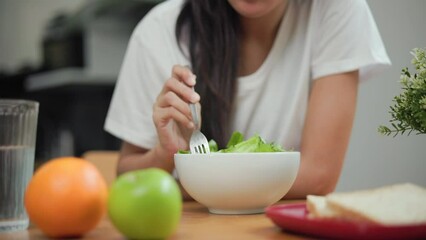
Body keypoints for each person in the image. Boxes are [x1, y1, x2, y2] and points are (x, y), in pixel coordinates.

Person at [104, 0, 391, 200]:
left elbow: (318, 176)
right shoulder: (159, 30)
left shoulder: (337, 9)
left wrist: (191, 179)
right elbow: (128, 180)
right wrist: (167, 153)